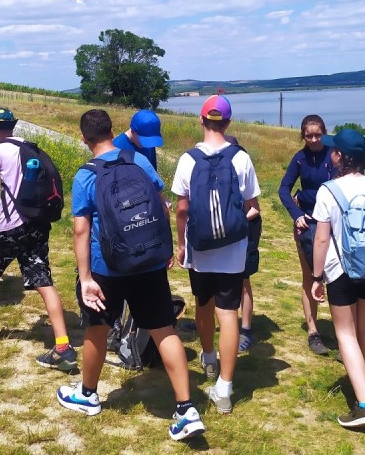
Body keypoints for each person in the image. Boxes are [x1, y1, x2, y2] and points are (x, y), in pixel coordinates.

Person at [57, 109, 205, 442]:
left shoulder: (85, 175)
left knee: (97, 329)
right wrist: (164, 248)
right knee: (164, 329)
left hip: (106, 267)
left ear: (84, 138)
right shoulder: (139, 161)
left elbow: (81, 231)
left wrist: (85, 278)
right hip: (148, 262)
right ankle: (186, 409)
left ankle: (88, 395)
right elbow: (161, 207)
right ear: (113, 131)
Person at [0, 107, 78, 373]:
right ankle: (63, 347)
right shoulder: (31, 148)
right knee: (43, 280)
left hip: (9, 225)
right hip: (37, 223)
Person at [173, 95, 261, 415]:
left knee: (203, 305)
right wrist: (233, 224)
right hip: (233, 250)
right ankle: (224, 389)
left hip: (200, 248)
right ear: (228, 123)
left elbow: (182, 209)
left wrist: (182, 244)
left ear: (201, 120)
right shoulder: (241, 158)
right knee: (227, 313)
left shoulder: (188, 160)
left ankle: (208, 357)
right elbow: (253, 206)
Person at [309, 128, 365, 429]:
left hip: (341, 270)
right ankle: (364, 390)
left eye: (333, 150)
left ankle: (364, 404)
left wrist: (316, 277)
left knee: (346, 334)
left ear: (339, 156)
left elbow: (321, 239)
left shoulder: (328, 190)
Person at [278, 114, 337, 354]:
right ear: (303, 135)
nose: (313, 140)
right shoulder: (300, 158)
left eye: (317, 135)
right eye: (309, 135)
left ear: (324, 133)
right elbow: (283, 189)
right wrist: (296, 214)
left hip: (332, 223)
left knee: (335, 277)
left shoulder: (334, 154)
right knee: (310, 277)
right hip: (307, 223)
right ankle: (313, 332)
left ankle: (343, 329)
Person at [224, 134, 262, 354]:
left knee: (243, 279)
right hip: (228, 230)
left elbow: (254, 208)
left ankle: (246, 330)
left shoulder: (242, 164)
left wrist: (235, 222)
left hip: (246, 227)